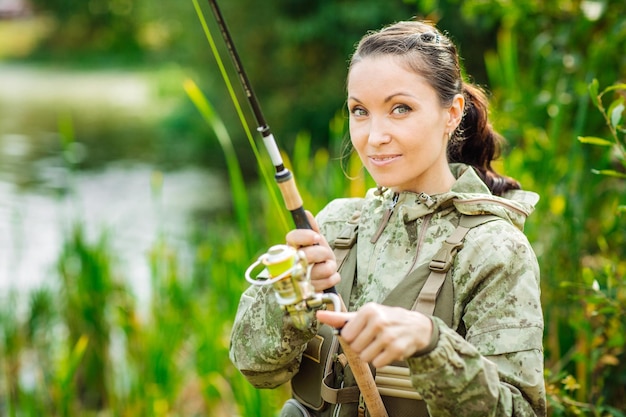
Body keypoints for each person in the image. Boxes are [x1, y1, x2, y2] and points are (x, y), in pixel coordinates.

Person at [229, 19, 546, 417]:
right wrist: (292, 299)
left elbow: (521, 412)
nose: (373, 135)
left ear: (452, 113)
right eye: (359, 111)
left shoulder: (493, 249)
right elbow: (256, 370)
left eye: (400, 109)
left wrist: (430, 344)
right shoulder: (334, 224)